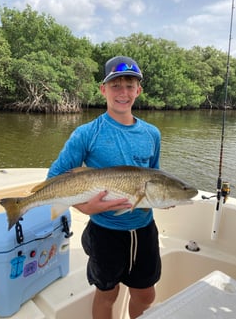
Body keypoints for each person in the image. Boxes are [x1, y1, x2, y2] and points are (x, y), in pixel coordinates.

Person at [47, 56, 161, 319]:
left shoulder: (152, 134)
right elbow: (55, 177)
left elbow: (154, 177)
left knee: (146, 295)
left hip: (144, 231)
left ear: (139, 91)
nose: (123, 92)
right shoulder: (87, 133)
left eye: (130, 86)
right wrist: (85, 207)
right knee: (107, 294)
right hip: (105, 233)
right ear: (103, 90)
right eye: (116, 85)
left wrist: (165, 197)